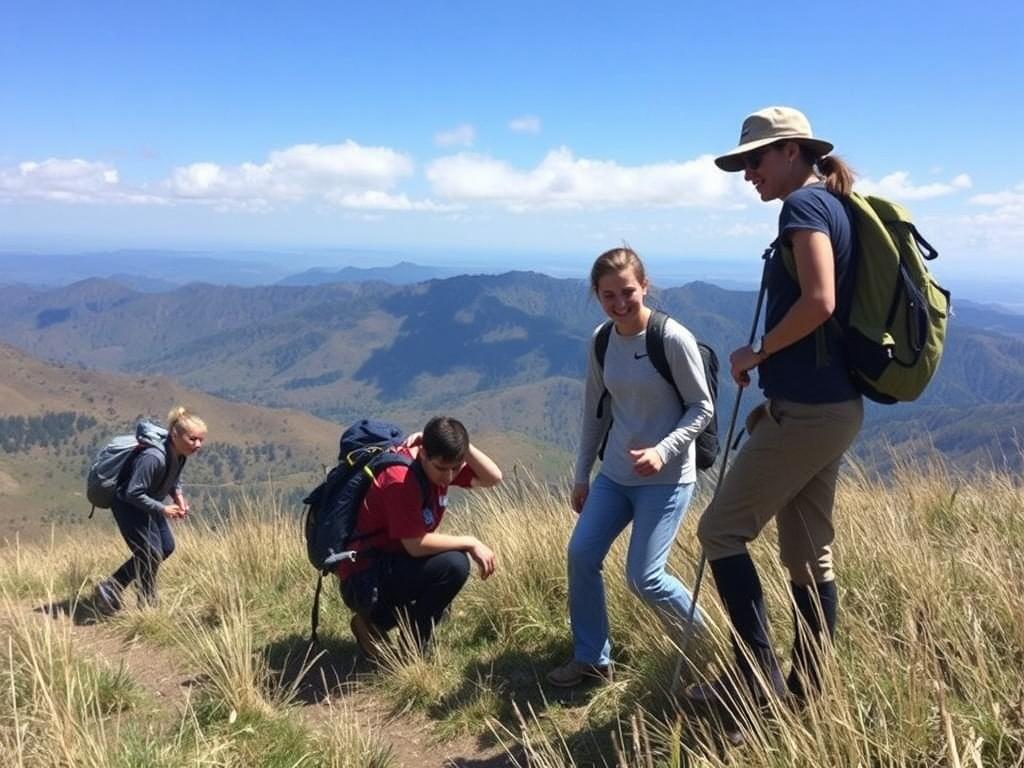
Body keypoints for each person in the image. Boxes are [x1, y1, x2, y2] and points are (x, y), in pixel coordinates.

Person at [685, 106, 864, 718]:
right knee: (807, 553)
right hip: (833, 406)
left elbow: (819, 300)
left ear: (792, 152)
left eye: (754, 160)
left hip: (808, 411)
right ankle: (808, 693)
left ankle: (753, 681)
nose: (747, 174)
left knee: (720, 531)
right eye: (742, 164)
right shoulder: (834, 206)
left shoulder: (804, 208)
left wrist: (756, 351)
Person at [547, 247, 713, 688]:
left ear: (645, 287)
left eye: (628, 293)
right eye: (608, 296)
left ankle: (708, 645)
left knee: (645, 577)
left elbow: (702, 408)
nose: (619, 304)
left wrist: (663, 449)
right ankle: (592, 659)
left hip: (668, 478)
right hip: (615, 477)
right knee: (581, 555)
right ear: (596, 296)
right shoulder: (602, 341)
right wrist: (582, 476)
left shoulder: (672, 338)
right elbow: (594, 414)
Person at [337, 415, 502, 657]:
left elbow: (493, 477)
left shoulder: (436, 465)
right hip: (364, 579)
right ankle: (410, 647)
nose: (449, 477)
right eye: (442, 469)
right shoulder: (400, 479)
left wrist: (463, 446)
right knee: (454, 565)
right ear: (423, 454)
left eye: (456, 467)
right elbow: (415, 545)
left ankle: (377, 624)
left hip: (390, 564)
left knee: (445, 579)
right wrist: (471, 542)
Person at [94, 406, 207, 612]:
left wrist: (178, 498)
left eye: (201, 440)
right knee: (150, 552)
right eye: (193, 439)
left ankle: (113, 585)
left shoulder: (179, 454)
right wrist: (163, 509)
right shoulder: (153, 457)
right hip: (128, 506)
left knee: (165, 548)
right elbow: (132, 492)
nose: (198, 445)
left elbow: (174, 478)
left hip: (148, 505)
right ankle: (147, 603)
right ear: (175, 435)